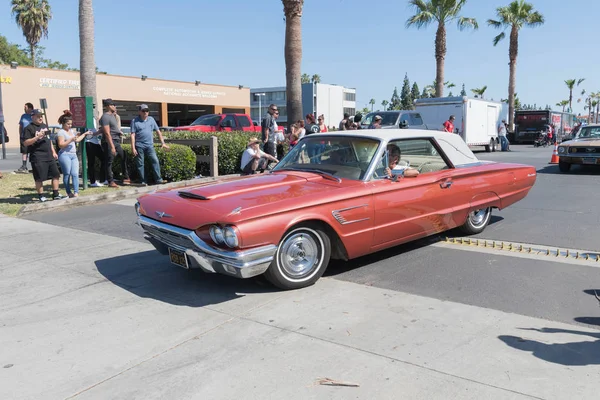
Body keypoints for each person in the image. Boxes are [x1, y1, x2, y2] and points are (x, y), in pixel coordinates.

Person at [21, 109, 64, 201]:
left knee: (56, 174)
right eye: (38, 116)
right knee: (39, 178)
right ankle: (41, 196)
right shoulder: (29, 128)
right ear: (32, 117)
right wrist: (37, 137)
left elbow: (49, 140)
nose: (40, 118)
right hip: (38, 156)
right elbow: (26, 142)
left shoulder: (45, 126)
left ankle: (56, 194)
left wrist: (53, 152)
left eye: (41, 116)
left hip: (49, 155)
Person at [130, 104, 169, 185]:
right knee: (140, 164)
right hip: (139, 145)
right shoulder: (134, 121)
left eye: (147, 111)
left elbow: (158, 131)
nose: (145, 112)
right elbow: (132, 135)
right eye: (143, 111)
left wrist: (163, 143)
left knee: (155, 161)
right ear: (139, 112)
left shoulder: (151, 119)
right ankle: (143, 181)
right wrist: (133, 148)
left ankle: (158, 179)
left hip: (150, 145)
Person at [56, 110, 91, 198]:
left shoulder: (71, 131)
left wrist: (84, 134)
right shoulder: (61, 132)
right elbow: (61, 145)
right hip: (64, 154)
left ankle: (76, 192)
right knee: (67, 173)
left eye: (71, 124)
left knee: (75, 173)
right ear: (63, 123)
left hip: (73, 155)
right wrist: (70, 140)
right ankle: (68, 192)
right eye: (68, 124)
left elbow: (77, 140)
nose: (70, 126)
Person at [100, 98, 130, 188]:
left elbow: (112, 129)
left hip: (116, 140)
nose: (115, 106)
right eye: (113, 105)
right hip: (109, 142)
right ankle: (110, 181)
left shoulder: (112, 116)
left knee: (123, 155)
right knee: (109, 161)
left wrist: (119, 132)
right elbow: (107, 132)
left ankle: (126, 177)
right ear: (108, 106)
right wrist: (112, 146)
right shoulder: (105, 117)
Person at [86, 117, 105, 187]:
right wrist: (98, 132)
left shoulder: (93, 118)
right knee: (91, 162)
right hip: (88, 141)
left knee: (104, 159)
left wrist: (98, 132)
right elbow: (88, 132)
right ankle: (92, 181)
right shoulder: (86, 118)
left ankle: (103, 179)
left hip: (95, 142)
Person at [17, 102, 34, 173]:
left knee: (33, 151)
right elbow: (20, 126)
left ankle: (34, 166)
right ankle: (24, 166)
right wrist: (20, 135)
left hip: (32, 136)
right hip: (24, 136)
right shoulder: (23, 116)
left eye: (25, 107)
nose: (24, 108)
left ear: (30, 108)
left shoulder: (34, 115)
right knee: (24, 151)